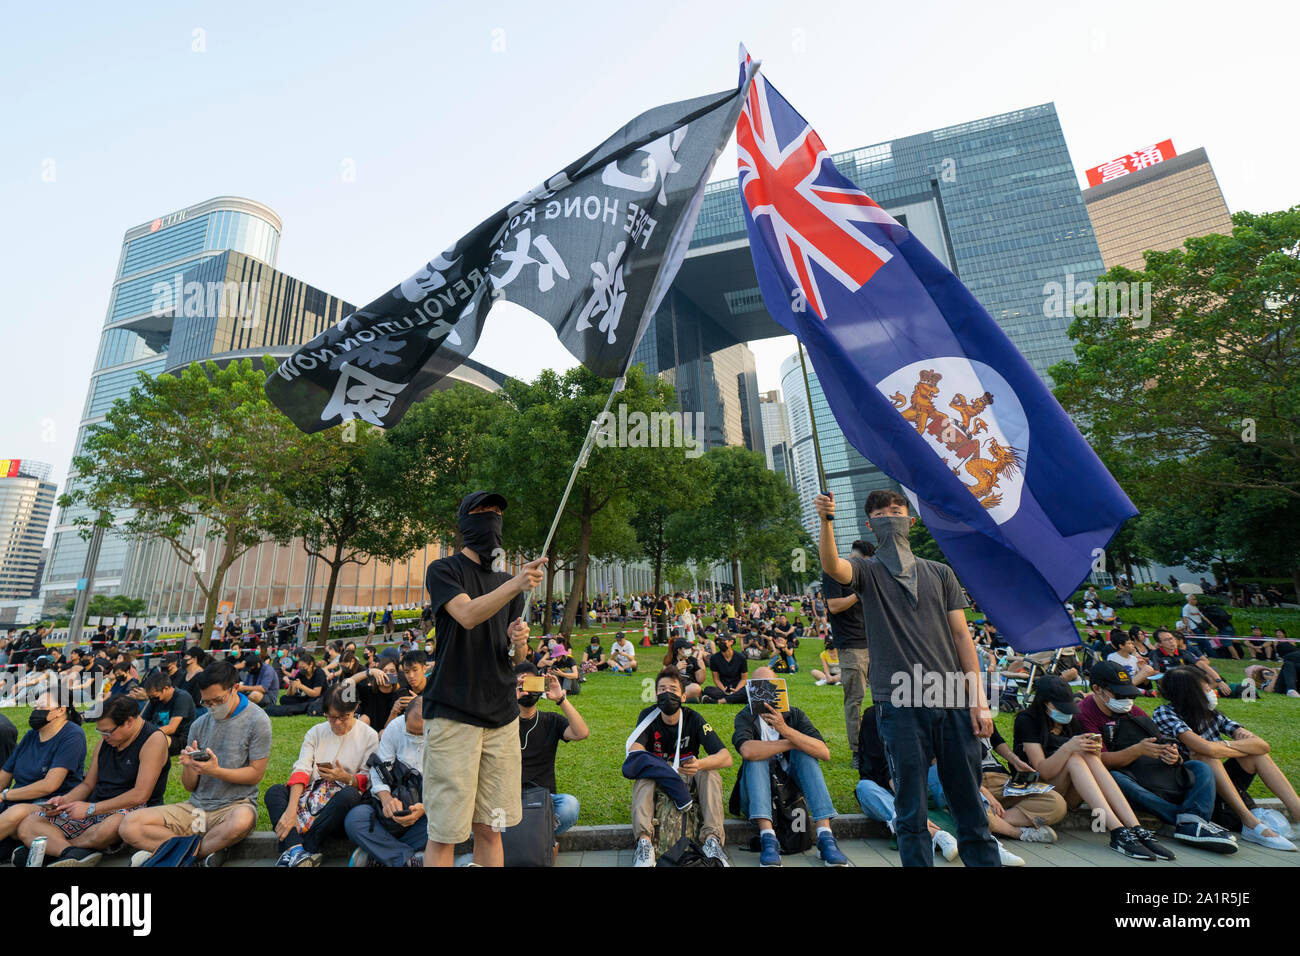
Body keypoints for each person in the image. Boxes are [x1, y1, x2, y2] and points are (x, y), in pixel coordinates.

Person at [816, 489, 999, 867]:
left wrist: (979, 700)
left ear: (911, 522)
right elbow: (834, 567)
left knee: (968, 801)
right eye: (880, 513)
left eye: (896, 511)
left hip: (950, 696)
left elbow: (963, 636)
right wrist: (826, 520)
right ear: (870, 524)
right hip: (898, 699)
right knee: (910, 808)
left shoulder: (940, 573)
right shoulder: (866, 572)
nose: (889, 517)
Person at [421, 491, 546, 868]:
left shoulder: (508, 582)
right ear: (465, 523)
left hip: (501, 719)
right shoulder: (444, 570)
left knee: (491, 828)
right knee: (444, 833)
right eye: (482, 512)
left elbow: (515, 659)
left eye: (496, 513)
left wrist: (519, 643)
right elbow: (468, 614)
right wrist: (516, 584)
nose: (491, 518)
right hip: (453, 717)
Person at [120, 661, 271, 867]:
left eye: (217, 700)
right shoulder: (199, 724)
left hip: (234, 807)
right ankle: (199, 854)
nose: (211, 707)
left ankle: (171, 854)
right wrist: (191, 766)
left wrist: (216, 771)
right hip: (196, 809)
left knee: (242, 821)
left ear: (235, 688)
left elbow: (255, 774)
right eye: (206, 702)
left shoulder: (257, 720)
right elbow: (190, 786)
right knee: (129, 825)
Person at [1076, 662, 1236, 852]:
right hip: (1128, 777)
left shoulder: (1133, 712)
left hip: (1155, 774)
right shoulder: (1084, 714)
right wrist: (1136, 751)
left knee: (1201, 768)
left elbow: (1159, 742)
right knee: (1115, 779)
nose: (1127, 700)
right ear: (1097, 689)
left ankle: (1190, 821)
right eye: (1120, 694)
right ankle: (1188, 822)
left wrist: (1172, 755)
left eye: (1130, 694)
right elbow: (1098, 762)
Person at [1014, 676, 1173, 860]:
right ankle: (1118, 831)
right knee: (1074, 756)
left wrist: (1094, 751)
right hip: (1034, 788)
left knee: (1086, 754)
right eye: (1061, 708)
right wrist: (1068, 747)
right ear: (1045, 704)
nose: (1067, 714)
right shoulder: (1027, 720)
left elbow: (1090, 763)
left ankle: (1135, 828)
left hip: (1068, 793)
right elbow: (1043, 771)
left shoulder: (1069, 722)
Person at [1153, 666, 1300, 851]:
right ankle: (1251, 824)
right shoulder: (1165, 713)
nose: (1211, 692)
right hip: (1192, 786)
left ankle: (1298, 813)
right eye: (1206, 688)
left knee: (1256, 755)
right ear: (1190, 693)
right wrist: (1224, 748)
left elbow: (1262, 745)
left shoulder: (1212, 714)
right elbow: (1203, 748)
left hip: (1220, 782)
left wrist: (1222, 747)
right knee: (1205, 758)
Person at [13, 696, 169, 867]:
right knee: (29, 823)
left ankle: (56, 850)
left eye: (108, 731)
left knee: (114, 825)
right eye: (100, 731)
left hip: (129, 811)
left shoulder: (153, 739)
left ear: (129, 722)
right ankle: (70, 854)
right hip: (94, 810)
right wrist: (64, 801)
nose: (103, 736)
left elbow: (140, 795)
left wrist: (91, 809)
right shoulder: (106, 741)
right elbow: (88, 784)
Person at [732, 666, 849, 867]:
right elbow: (747, 751)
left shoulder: (794, 715)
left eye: (770, 686)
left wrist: (785, 730)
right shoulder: (746, 716)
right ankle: (768, 838)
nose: (765, 692)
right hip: (753, 795)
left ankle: (825, 836)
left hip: (789, 793)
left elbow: (824, 752)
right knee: (759, 755)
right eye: (758, 687)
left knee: (806, 753)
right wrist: (792, 741)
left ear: (780, 689)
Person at [264, 685, 379, 867]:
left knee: (349, 795)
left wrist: (345, 777)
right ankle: (297, 851)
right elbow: (302, 769)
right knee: (274, 792)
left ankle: (301, 848)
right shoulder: (316, 732)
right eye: (332, 718)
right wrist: (291, 811)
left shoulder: (369, 736)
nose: (338, 723)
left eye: (344, 717)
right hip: (310, 798)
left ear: (355, 709)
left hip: (338, 808)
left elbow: (367, 779)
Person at [629, 669, 733, 867]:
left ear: (683, 696)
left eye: (673, 689)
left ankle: (712, 840)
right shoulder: (648, 716)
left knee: (710, 772)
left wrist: (699, 764)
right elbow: (636, 752)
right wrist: (661, 767)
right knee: (644, 775)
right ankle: (644, 844)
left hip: (688, 774)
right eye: (662, 689)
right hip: (659, 776)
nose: (667, 694)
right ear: (656, 694)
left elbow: (726, 757)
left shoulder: (693, 718)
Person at [515, 662, 589, 859]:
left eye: (532, 683)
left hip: (543, 800)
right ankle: (541, 837)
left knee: (570, 805)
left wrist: (561, 699)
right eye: (522, 684)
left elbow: (581, 733)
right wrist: (507, 700)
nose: (527, 689)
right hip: (508, 798)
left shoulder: (550, 720)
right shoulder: (501, 721)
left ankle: (536, 834)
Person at [0, 694, 86, 858]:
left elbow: (50, 785)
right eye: (35, 707)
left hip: (52, 804)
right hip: (17, 799)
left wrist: (6, 795)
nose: (35, 712)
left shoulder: (72, 736)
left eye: (41, 708)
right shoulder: (31, 735)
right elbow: (5, 773)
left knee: (16, 813)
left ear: (60, 710)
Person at [345, 699, 427, 867]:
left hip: (424, 814)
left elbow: (450, 786)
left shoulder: (446, 732)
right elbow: (378, 770)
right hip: (387, 814)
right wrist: (386, 799)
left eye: (422, 733)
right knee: (355, 820)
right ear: (404, 719)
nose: (416, 737)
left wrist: (424, 808)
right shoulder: (395, 728)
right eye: (411, 732)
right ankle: (407, 858)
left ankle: (379, 855)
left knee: (446, 824)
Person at [140, 669, 197, 756]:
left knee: (154, 740)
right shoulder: (155, 699)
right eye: (150, 697)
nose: (152, 699)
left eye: (155, 696)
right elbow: (142, 721)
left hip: (178, 739)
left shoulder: (182, 698)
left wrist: (147, 734)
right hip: (158, 734)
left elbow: (171, 728)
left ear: (166, 688)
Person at [266, 650, 327, 716]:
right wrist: (291, 686)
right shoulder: (300, 674)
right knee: (284, 699)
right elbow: (290, 695)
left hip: (318, 698)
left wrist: (301, 686)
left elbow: (316, 693)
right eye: (300, 668)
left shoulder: (319, 673)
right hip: (306, 698)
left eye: (304, 667)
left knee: (313, 702)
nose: (302, 669)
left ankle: (301, 707)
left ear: (311, 664)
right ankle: (302, 706)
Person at [702, 633, 748, 703]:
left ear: (731, 642)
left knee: (747, 690)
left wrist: (736, 691)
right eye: (719, 641)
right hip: (723, 689)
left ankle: (719, 701)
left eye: (723, 641)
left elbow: (744, 679)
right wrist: (723, 689)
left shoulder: (741, 658)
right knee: (707, 689)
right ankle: (735, 698)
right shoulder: (714, 658)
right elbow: (716, 679)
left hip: (737, 688)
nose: (721, 643)